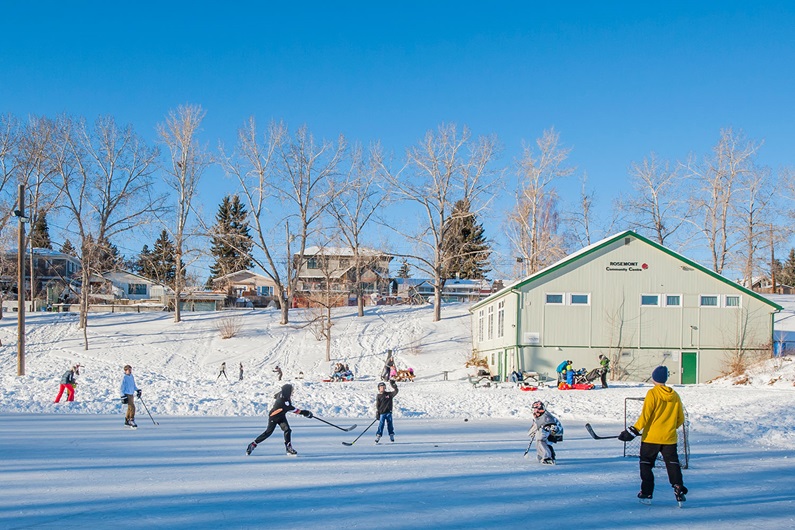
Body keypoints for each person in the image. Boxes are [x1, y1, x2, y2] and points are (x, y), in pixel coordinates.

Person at [618, 366, 688, 505]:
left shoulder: (652, 393)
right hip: (669, 438)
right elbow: (680, 419)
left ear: (654, 378)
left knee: (646, 464)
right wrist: (669, 428)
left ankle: (646, 493)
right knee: (672, 464)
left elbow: (645, 416)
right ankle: (678, 487)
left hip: (651, 438)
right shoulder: (674, 395)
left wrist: (632, 431)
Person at [246, 384, 312, 456]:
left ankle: (288, 448)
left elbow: (276, 395)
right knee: (268, 432)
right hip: (273, 417)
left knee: (287, 430)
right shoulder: (285, 402)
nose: (292, 392)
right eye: (291, 391)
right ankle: (253, 444)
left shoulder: (282, 394)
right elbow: (294, 410)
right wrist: (305, 413)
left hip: (281, 416)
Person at [528, 400, 564, 465]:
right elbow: (537, 424)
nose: (534, 412)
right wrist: (532, 432)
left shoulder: (546, 417)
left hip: (555, 433)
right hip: (551, 432)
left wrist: (550, 431)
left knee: (541, 441)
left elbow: (552, 425)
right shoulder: (540, 416)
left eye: (536, 410)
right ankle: (543, 455)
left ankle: (548, 458)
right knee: (540, 440)